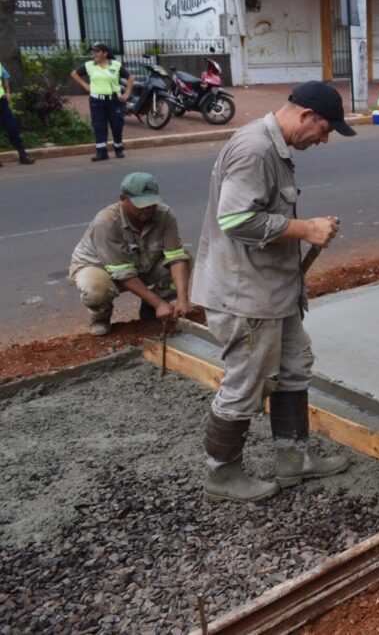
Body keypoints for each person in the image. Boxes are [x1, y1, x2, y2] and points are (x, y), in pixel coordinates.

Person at [191, 81, 355, 502]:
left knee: (295, 367)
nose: (324, 139)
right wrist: (305, 228)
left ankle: (293, 459)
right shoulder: (255, 150)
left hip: (273, 290)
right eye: (324, 129)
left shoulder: (274, 147)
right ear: (306, 116)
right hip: (246, 295)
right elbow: (235, 221)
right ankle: (221, 475)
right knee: (248, 381)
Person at [68, 172, 190, 336]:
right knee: (96, 288)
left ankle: (149, 310)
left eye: (152, 203)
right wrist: (158, 303)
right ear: (123, 199)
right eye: (141, 204)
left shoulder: (164, 214)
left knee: (187, 260)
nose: (148, 208)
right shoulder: (106, 222)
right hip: (100, 267)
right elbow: (122, 272)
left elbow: (176, 257)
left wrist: (183, 299)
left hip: (140, 263)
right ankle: (101, 316)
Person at [70, 42, 133, 162]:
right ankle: (101, 151)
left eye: (97, 51)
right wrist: (85, 85)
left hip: (114, 100)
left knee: (117, 124)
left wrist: (127, 94)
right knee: (99, 125)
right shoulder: (89, 65)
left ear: (105, 53)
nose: (94, 53)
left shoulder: (115, 65)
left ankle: (118, 148)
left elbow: (130, 78)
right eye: (93, 51)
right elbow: (74, 74)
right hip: (96, 100)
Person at [0, 61, 35, 166]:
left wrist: (7, 91)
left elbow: (4, 76)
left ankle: (22, 155)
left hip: (1, 101)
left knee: (12, 126)